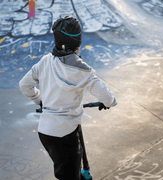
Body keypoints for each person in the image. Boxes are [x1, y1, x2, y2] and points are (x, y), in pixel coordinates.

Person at [19, 16, 117, 180]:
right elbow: (106, 97)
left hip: (45, 132)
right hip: (64, 134)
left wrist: (40, 100)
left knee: (68, 173)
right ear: (77, 44)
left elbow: (24, 85)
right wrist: (110, 102)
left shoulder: (45, 61)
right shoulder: (83, 71)